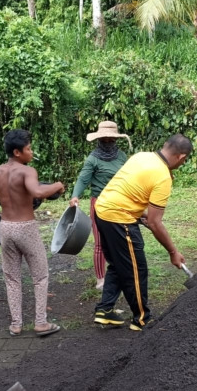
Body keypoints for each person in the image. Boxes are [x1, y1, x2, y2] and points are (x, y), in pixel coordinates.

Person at [0, 130, 64, 337]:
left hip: (6, 228)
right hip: (26, 227)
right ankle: (41, 323)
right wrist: (57, 185)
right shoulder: (27, 171)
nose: (31, 152)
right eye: (29, 148)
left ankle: (16, 324)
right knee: (40, 276)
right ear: (17, 152)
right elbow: (37, 192)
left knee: (12, 278)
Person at [94, 134, 192, 331]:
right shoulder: (162, 175)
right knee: (136, 271)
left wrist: (140, 214)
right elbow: (156, 223)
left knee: (119, 264)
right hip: (119, 220)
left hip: (102, 210)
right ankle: (142, 320)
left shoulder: (142, 156)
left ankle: (104, 310)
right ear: (181, 157)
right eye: (185, 160)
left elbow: (128, 190)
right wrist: (173, 252)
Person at [69, 121, 130, 291]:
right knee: (100, 243)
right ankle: (101, 279)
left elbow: (129, 178)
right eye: (105, 139)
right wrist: (75, 196)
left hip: (119, 202)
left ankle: (121, 273)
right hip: (100, 203)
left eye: (111, 139)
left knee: (120, 240)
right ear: (99, 139)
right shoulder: (93, 159)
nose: (108, 141)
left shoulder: (122, 156)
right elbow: (83, 179)